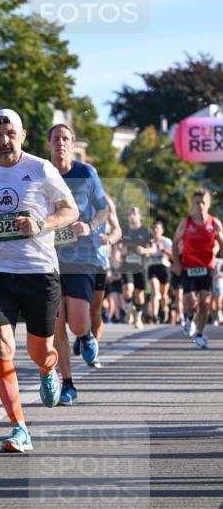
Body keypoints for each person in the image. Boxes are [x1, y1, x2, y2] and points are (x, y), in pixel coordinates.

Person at [0, 108, 78, 452]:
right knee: (2, 348)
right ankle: (19, 428)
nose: (5, 140)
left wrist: (42, 225)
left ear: (22, 136)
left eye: (11, 133)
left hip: (39, 273)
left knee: (39, 351)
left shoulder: (41, 168)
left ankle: (49, 369)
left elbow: (70, 210)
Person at [47, 124, 108, 403]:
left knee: (79, 323)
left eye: (66, 138)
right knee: (57, 322)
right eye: (56, 138)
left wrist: (91, 226)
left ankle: (84, 337)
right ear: (48, 144)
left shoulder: (86, 173)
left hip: (81, 255)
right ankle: (68, 384)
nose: (60, 143)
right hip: (49, 255)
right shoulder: (40, 173)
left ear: (73, 144)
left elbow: (103, 207)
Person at [172, 188, 223, 349]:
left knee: (205, 303)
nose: (200, 206)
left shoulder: (214, 223)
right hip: (189, 267)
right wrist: (176, 263)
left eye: (203, 202)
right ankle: (188, 317)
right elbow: (174, 243)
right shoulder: (186, 222)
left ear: (208, 204)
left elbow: (222, 244)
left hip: (207, 267)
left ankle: (200, 334)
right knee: (191, 303)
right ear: (192, 204)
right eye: (197, 203)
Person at [89, 191, 121, 347]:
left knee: (95, 309)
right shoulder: (70, 194)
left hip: (99, 262)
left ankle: (92, 343)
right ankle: (83, 334)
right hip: (74, 262)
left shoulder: (105, 200)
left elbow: (117, 230)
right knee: (77, 307)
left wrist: (109, 239)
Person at [121, 206, 151, 328]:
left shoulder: (145, 231)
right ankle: (129, 311)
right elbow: (118, 248)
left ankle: (138, 317)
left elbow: (153, 248)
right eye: (130, 213)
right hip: (127, 265)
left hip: (141, 266)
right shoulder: (124, 230)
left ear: (140, 217)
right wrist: (120, 251)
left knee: (139, 294)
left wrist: (144, 250)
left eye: (134, 213)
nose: (131, 215)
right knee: (128, 290)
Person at [146, 220, 172, 324]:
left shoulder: (167, 241)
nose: (155, 230)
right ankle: (155, 315)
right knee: (154, 291)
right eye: (154, 228)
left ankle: (164, 309)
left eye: (158, 228)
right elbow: (145, 254)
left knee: (164, 295)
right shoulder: (149, 242)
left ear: (162, 230)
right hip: (153, 267)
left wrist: (163, 250)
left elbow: (172, 255)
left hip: (164, 268)